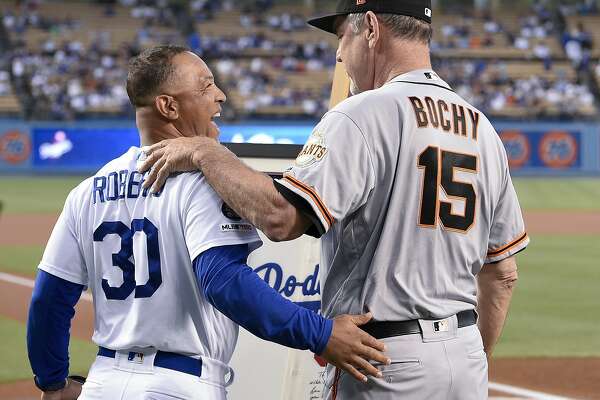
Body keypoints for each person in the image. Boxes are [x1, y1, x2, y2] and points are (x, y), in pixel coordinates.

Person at [139, 1, 529, 399]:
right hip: (465, 358)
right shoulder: (483, 129)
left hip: (383, 357)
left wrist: (206, 152)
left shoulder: (362, 113)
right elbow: (502, 275)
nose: (340, 53)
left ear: (372, 29)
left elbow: (281, 217)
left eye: (343, 35)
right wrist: (468, 358)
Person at [26, 45, 390, 400]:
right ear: (168, 106)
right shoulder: (205, 180)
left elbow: (49, 300)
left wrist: (54, 381)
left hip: (103, 382)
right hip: (180, 383)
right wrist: (322, 334)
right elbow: (226, 284)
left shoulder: (87, 192)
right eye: (206, 86)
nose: (221, 96)